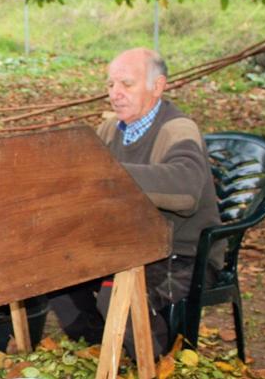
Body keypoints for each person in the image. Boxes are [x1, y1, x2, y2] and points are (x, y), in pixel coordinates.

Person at [47, 47, 223, 359]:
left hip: (181, 254)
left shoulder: (177, 129)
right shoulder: (110, 129)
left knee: (118, 297)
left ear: (158, 86)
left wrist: (109, 175)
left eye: (126, 84)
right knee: (54, 277)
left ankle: (153, 360)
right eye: (111, 85)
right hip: (127, 245)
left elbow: (186, 190)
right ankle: (107, 350)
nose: (115, 93)